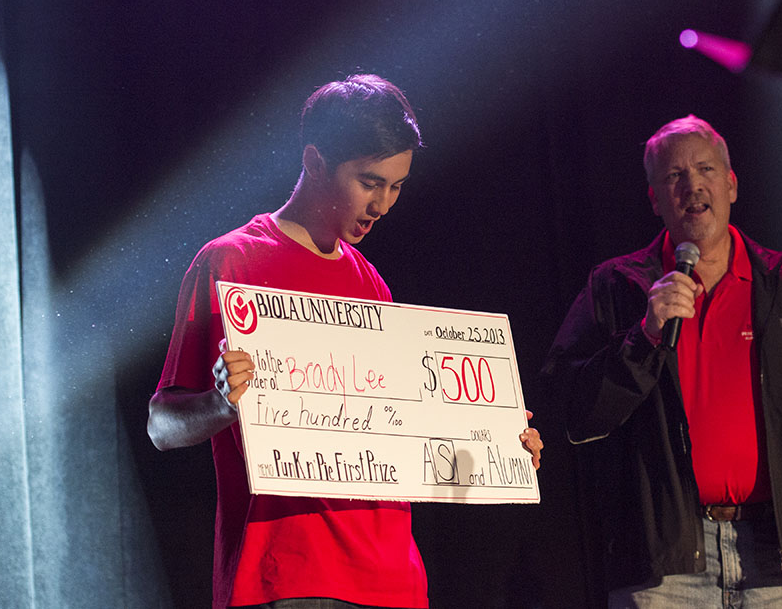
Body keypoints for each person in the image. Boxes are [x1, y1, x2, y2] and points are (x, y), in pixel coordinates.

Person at [148, 74, 543, 609]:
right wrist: (221, 405)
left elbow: (409, 426)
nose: (383, 203)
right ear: (313, 162)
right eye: (370, 181)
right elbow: (162, 427)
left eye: (397, 186)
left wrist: (499, 445)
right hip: (288, 580)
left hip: (392, 584)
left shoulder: (371, 284)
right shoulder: (231, 262)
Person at [542, 115, 782, 607]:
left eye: (705, 169)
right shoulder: (617, 287)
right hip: (665, 571)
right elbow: (569, 409)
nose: (692, 185)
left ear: (731, 185)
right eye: (674, 176)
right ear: (655, 200)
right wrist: (643, 338)